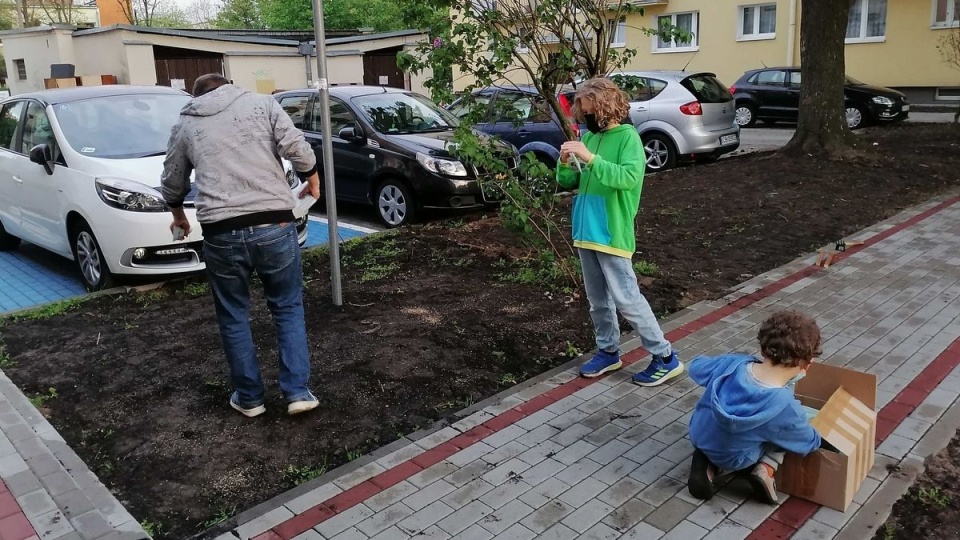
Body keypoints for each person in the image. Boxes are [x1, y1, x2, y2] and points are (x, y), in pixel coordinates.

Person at [161, 74, 321, 418]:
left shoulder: (187, 123)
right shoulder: (263, 105)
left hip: (222, 231)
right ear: (230, 85)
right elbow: (295, 146)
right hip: (275, 224)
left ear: (195, 96)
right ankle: (297, 392)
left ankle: (249, 398)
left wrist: (179, 215)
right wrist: (312, 176)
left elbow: (173, 177)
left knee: (233, 315)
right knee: (287, 306)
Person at [556, 77, 682, 387]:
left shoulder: (628, 139)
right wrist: (565, 164)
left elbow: (626, 178)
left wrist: (590, 158)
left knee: (627, 299)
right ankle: (608, 351)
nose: (584, 119)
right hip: (586, 232)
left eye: (588, 112)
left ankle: (665, 357)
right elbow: (571, 182)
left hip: (611, 234)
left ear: (604, 108)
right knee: (597, 300)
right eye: (581, 113)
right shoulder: (589, 139)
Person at [686, 311, 827, 504]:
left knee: (774, 428)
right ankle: (765, 468)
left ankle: (709, 463)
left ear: (763, 349)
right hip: (737, 458)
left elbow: (695, 367)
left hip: (698, 433)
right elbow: (808, 442)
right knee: (785, 434)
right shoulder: (784, 405)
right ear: (807, 364)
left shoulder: (732, 364)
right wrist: (812, 431)